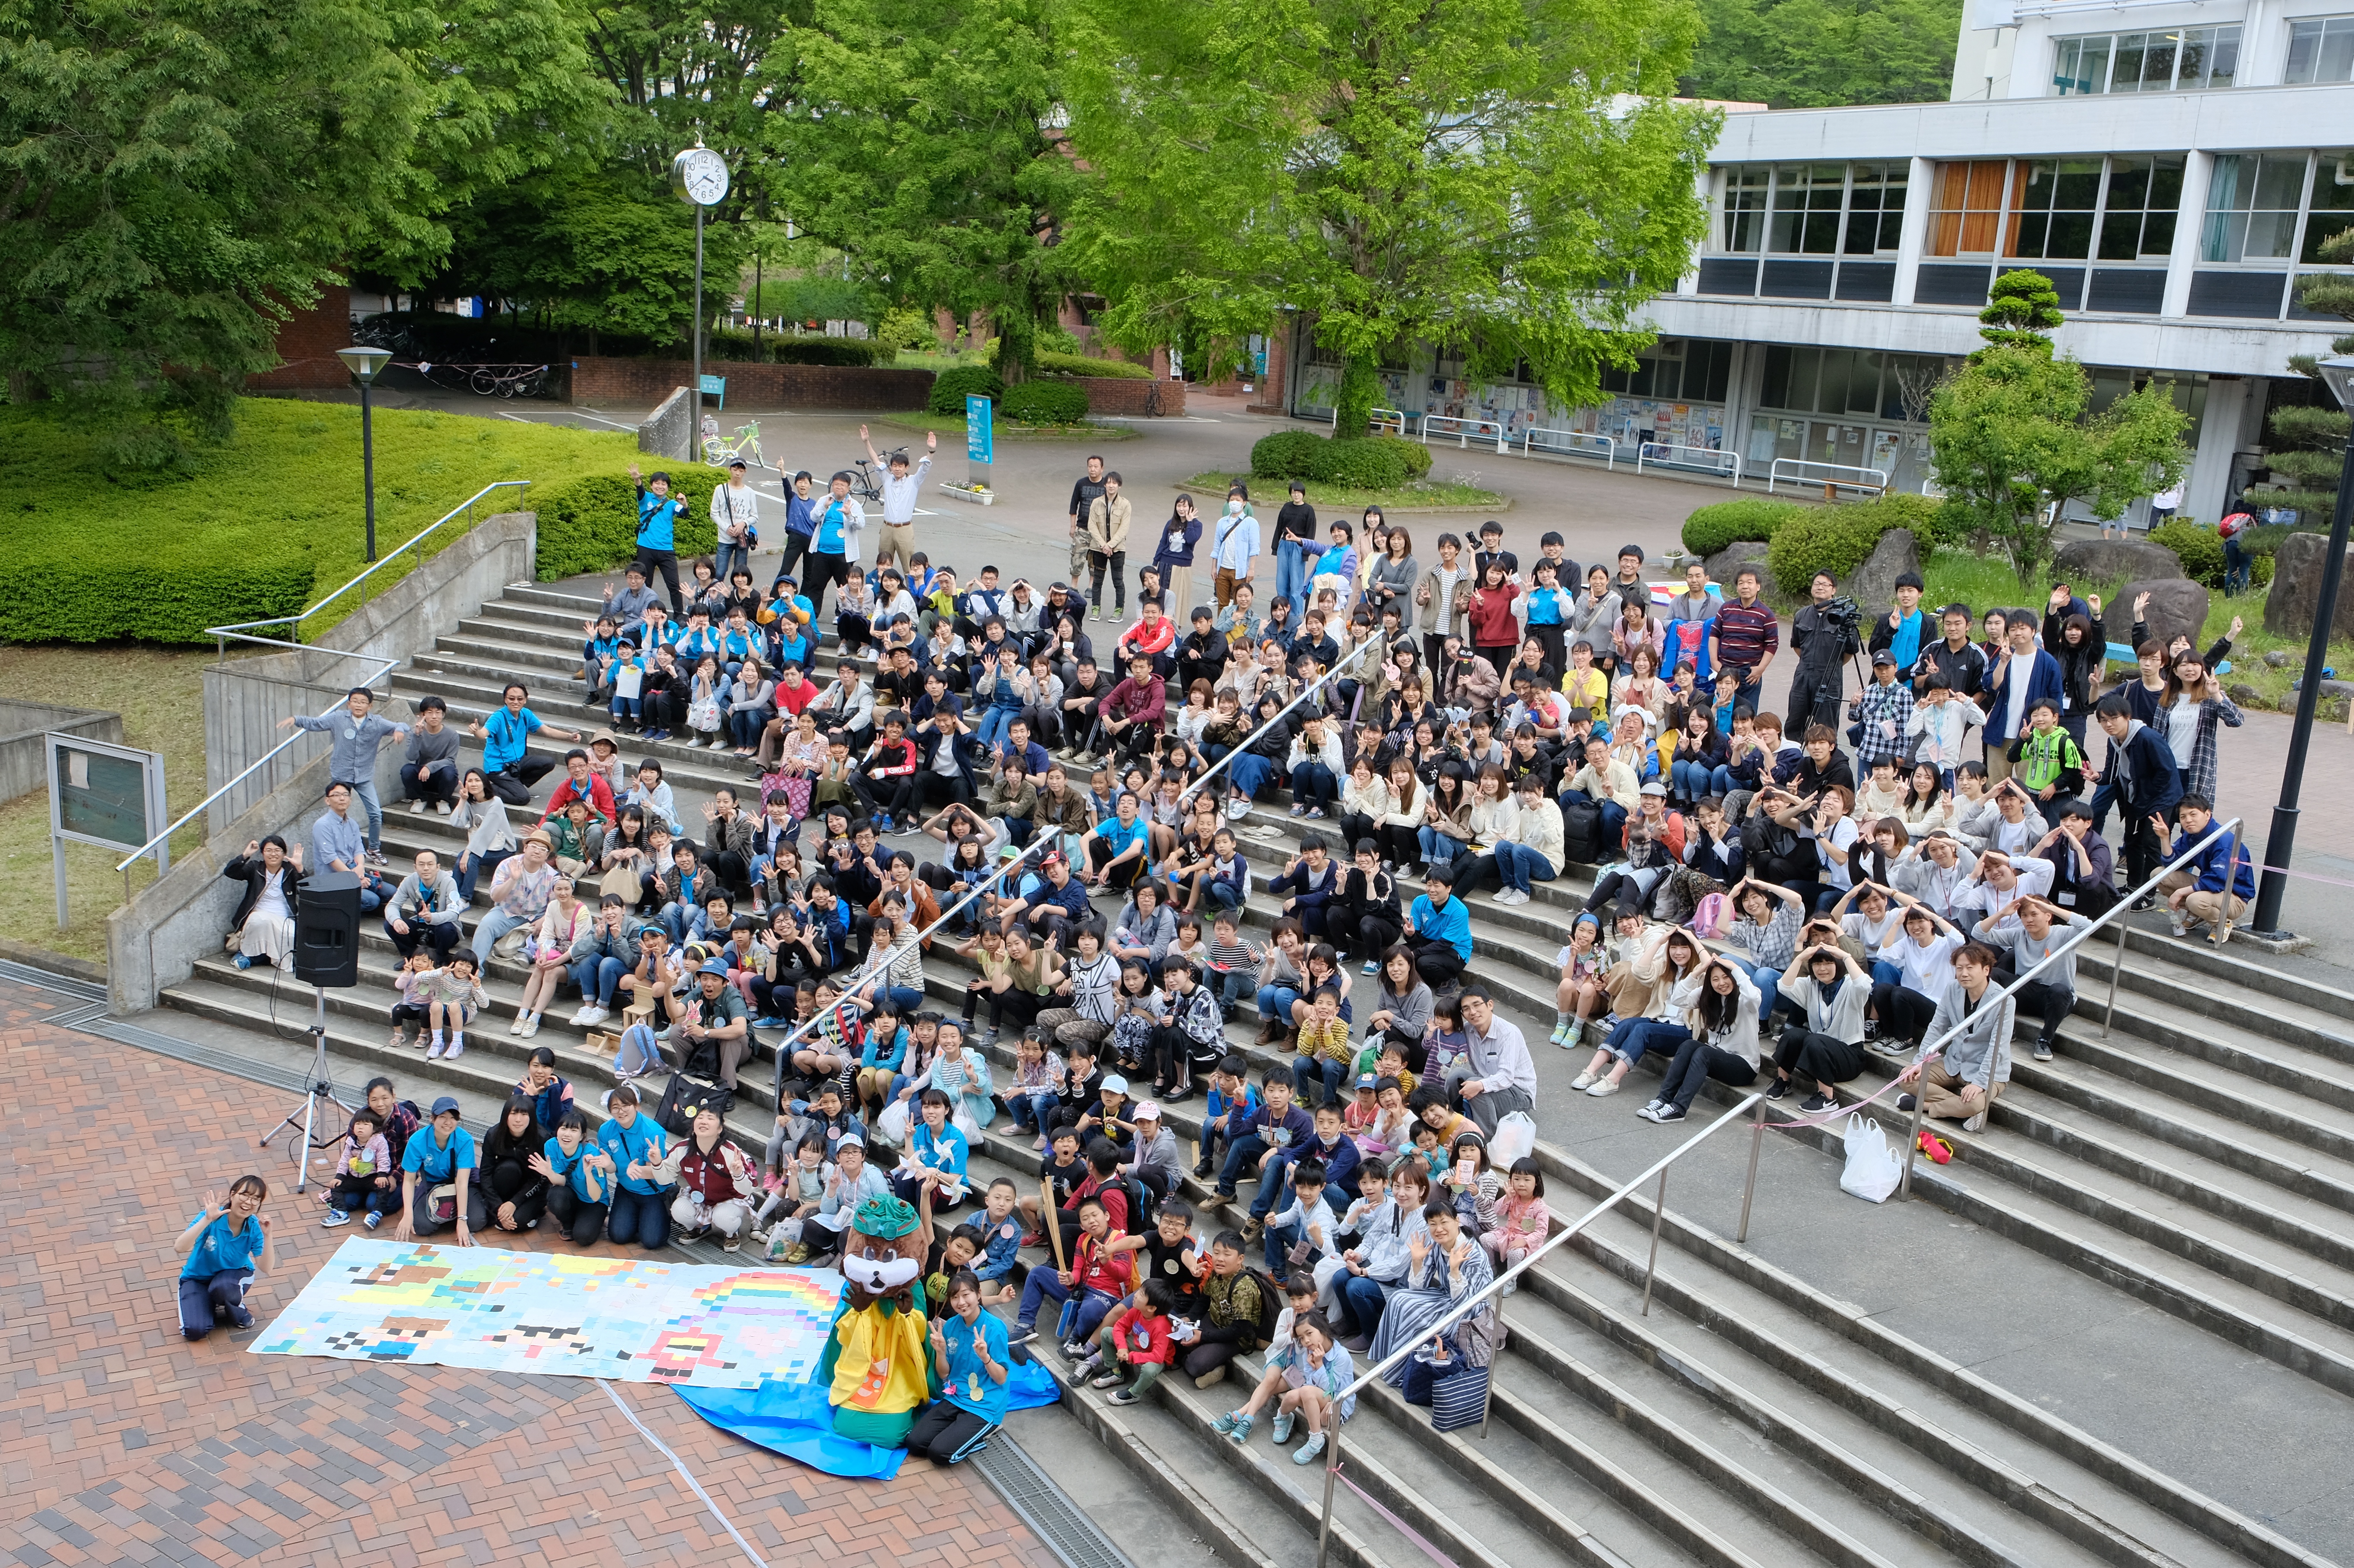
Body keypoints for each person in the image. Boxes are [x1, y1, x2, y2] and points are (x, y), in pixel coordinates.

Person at [278, 686, 407, 865]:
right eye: (355, 701)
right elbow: (317, 723)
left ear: (370, 706)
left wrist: (399, 730)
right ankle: (337, 851)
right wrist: (296, 719)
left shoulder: (377, 723)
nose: (358, 705)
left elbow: (402, 725)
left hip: (364, 776)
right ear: (349, 704)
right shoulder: (339, 718)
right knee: (336, 814)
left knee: (376, 814)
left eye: (363, 702)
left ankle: (374, 849)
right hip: (341, 776)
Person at [1900, 942, 2015, 1132]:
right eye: (1959, 968)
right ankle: (1958, 1108)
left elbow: (1998, 1047)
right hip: (1954, 1062)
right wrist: (1919, 1062)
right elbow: (1937, 1027)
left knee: (1975, 1103)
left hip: (1987, 1069)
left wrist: (1980, 1083)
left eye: (1970, 968)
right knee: (1907, 1078)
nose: (1964, 973)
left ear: (1986, 970)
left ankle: (1927, 1107)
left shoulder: (2005, 1001)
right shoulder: (1953, 989)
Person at [910, 1269, 1012, 1460]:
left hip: (985, 1405)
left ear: (979, 1294)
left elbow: (1001, 1379)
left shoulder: (996, 1329)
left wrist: (986, 1358)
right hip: (956, 1397)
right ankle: (960, 1432)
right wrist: (940, 1352)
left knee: (939, 1454)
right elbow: (943, 1375)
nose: (961, 1302)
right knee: (915, 1444)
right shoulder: (950, 1326)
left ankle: (981, 1436)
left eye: (966, 1295)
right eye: (955, 1297)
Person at [176, 1176, 277, 1340]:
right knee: (195, 1331)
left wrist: (268, 1237)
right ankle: (208, 1300)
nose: (248, 1202)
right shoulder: (210, 1217)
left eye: (256, 1199)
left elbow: (267, 1268)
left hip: (235, 1275)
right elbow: (180, 1247)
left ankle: (237, 1311)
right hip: (197, 1278)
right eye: (244, 1195)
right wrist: (207, 1220)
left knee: (223, 1287)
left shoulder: (254, 1226)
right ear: (233, 1195)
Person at [2156, 794, 2254, 945]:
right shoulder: (2191, 836)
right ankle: (2199, 913)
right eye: (2183, 817)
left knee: (2195, 899)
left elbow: (2218, 880)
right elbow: (2174, 864)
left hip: (2233, 896)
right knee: (2159, 875)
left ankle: (2221, 923)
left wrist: (2181, 892)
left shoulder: (2224, 841)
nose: (2188, 820)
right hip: (2211, 886)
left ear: (2208, 814)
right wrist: (2164, 838)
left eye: (2193, 814)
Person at [473, 682, 580, 805]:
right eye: (511, 699)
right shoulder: (498, 717)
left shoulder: (526, 714)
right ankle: (486, 789)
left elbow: (546, 731)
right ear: (505, 700)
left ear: (525, 700)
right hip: (498, 768)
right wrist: (477, 731)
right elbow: (483, 734)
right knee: (522, 798)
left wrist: (569, 736)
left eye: (520, 699)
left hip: (517, 763)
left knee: (548, 762)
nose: (516, 702)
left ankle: (515, 784)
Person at [596, 1084, 674, 1250]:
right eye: (615, 1108)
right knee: (618, 1236)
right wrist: (607, 1164)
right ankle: (640, 1216)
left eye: (626, 1106)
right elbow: (612, 1169)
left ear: (636, 1106)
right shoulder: (606, 1130)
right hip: (627, 1189)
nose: (621, 1111)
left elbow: (656, 1173)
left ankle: (653, 1217)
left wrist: (637, 1171)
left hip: (654, 1191)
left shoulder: (653, 1132)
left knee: (652, 1242)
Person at [393, 1097, 480, 1242]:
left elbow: (462, 1182)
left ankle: (452, 1216)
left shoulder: (465, 1140)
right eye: (442, 1117)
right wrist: (408, 1214)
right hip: (432, 1185)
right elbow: (409, 1180)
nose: (448, 1123)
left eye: (453, 1118)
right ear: (432, 1119)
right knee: (420, 1227)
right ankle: (448, 1216)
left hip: (458, 1182)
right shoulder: (418, 1140)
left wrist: (462, 1219)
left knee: (476, 1222)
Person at [222, 835, 304, 972]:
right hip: (258, 914)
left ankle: (254, 958)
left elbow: (307, 888)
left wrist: (300, 867)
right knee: (260, 921)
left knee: (291, 935)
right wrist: (246, 855)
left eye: (278, 850)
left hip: (284, 918)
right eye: (269, 850)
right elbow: (230, 872)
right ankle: (246, 956)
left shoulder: (290, 869)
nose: (273, 854)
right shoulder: (255, 868)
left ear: (284, 853)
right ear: (263, 853)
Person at [861, 424, 935, 573]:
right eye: (895, 465)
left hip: (905, 529)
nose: (897, 469)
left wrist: (931, 451)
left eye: (901, 466)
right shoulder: (887, 479)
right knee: (883, 566)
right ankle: (883, 594)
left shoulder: (914, 481)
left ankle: (913, 595)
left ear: (907, 468)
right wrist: (867, 442)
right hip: (887, 528)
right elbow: (876, 461)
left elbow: (925, 468)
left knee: (910, 567)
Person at [627, 462, 688, 613]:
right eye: (657, 483)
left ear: (668, 487)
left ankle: (679, 614)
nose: (660, 486)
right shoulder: (646, 498)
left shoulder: (672, 504)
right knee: (645, 584)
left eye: (664, 484)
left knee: (674, 584)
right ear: (652, 485)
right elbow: (640, 490)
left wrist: (685, 504)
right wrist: (637, 479)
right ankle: (642, 613)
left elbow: (684, 514)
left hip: (666, 550)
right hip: (646, 548)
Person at [384, 850, 464, 961]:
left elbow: (454, 913)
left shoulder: (449, 882)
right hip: (420, 926)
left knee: (446, 929)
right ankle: (411, 957)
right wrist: (396, 920)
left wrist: (433, 918)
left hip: (442, 929)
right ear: (415, 867)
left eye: (430, 864)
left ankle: (440, 958)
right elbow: (393, 905)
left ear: (438, 867)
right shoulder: (409, 881)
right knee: (390, 924)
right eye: (421, 865)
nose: (426, 868)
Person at [399, 695, 463, 814]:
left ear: (443, 715)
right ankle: (419, 800)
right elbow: (411, 757)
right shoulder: (415, 733)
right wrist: (417, 737)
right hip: (422, 777)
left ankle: (443, 801)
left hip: (442, 777)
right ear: (423, 715)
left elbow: (450, 760)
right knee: (407, 770)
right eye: (430, 712)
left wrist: (430, 766)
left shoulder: (452, 735)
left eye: (438, 713)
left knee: (450, 772)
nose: (434, 717)